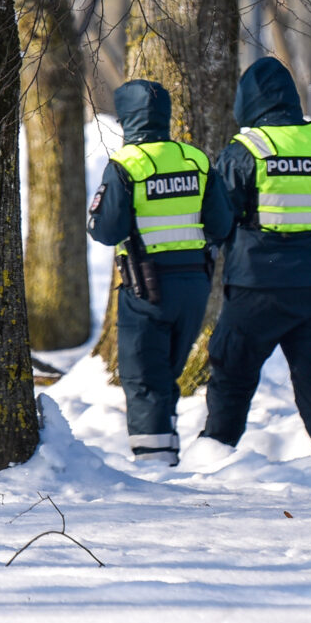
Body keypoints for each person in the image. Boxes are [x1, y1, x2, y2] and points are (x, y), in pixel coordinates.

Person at [202, 56, 311, 453]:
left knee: (232, 376)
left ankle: (214, 455)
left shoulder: (247, 150)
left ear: (248, 101)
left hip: (255, 288)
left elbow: (218, 221)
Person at [87, 79, 232, 466]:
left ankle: (155, 466)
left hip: (146, 288)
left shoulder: (126, 165)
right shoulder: (195, 160)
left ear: (127, 119)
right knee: (167, 373)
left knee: (142, 377)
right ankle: (167, 453)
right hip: (194, 286)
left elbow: (107, 230)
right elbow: (221, 224)